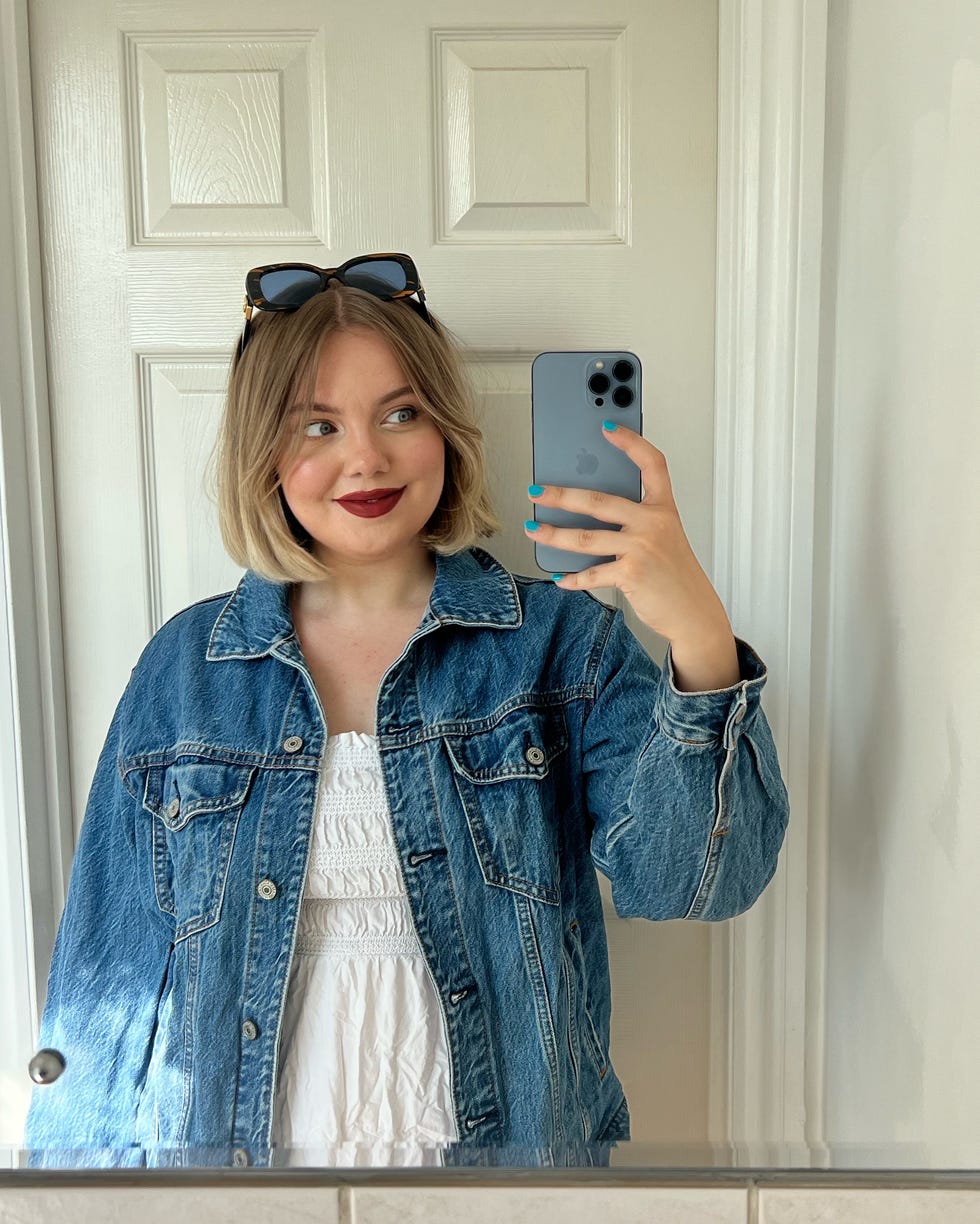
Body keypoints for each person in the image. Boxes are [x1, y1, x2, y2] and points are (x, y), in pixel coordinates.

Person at [25, 253, 790, 1169]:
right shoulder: (188, 670)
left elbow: (695, 883)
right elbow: (104, 987)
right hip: (237, 1188)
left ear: (446, 429)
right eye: (317, 425)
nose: (366, 458)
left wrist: (698, 634)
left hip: (503, 1188)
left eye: (401, 413)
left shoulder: (555, 644)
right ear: (263, 452)